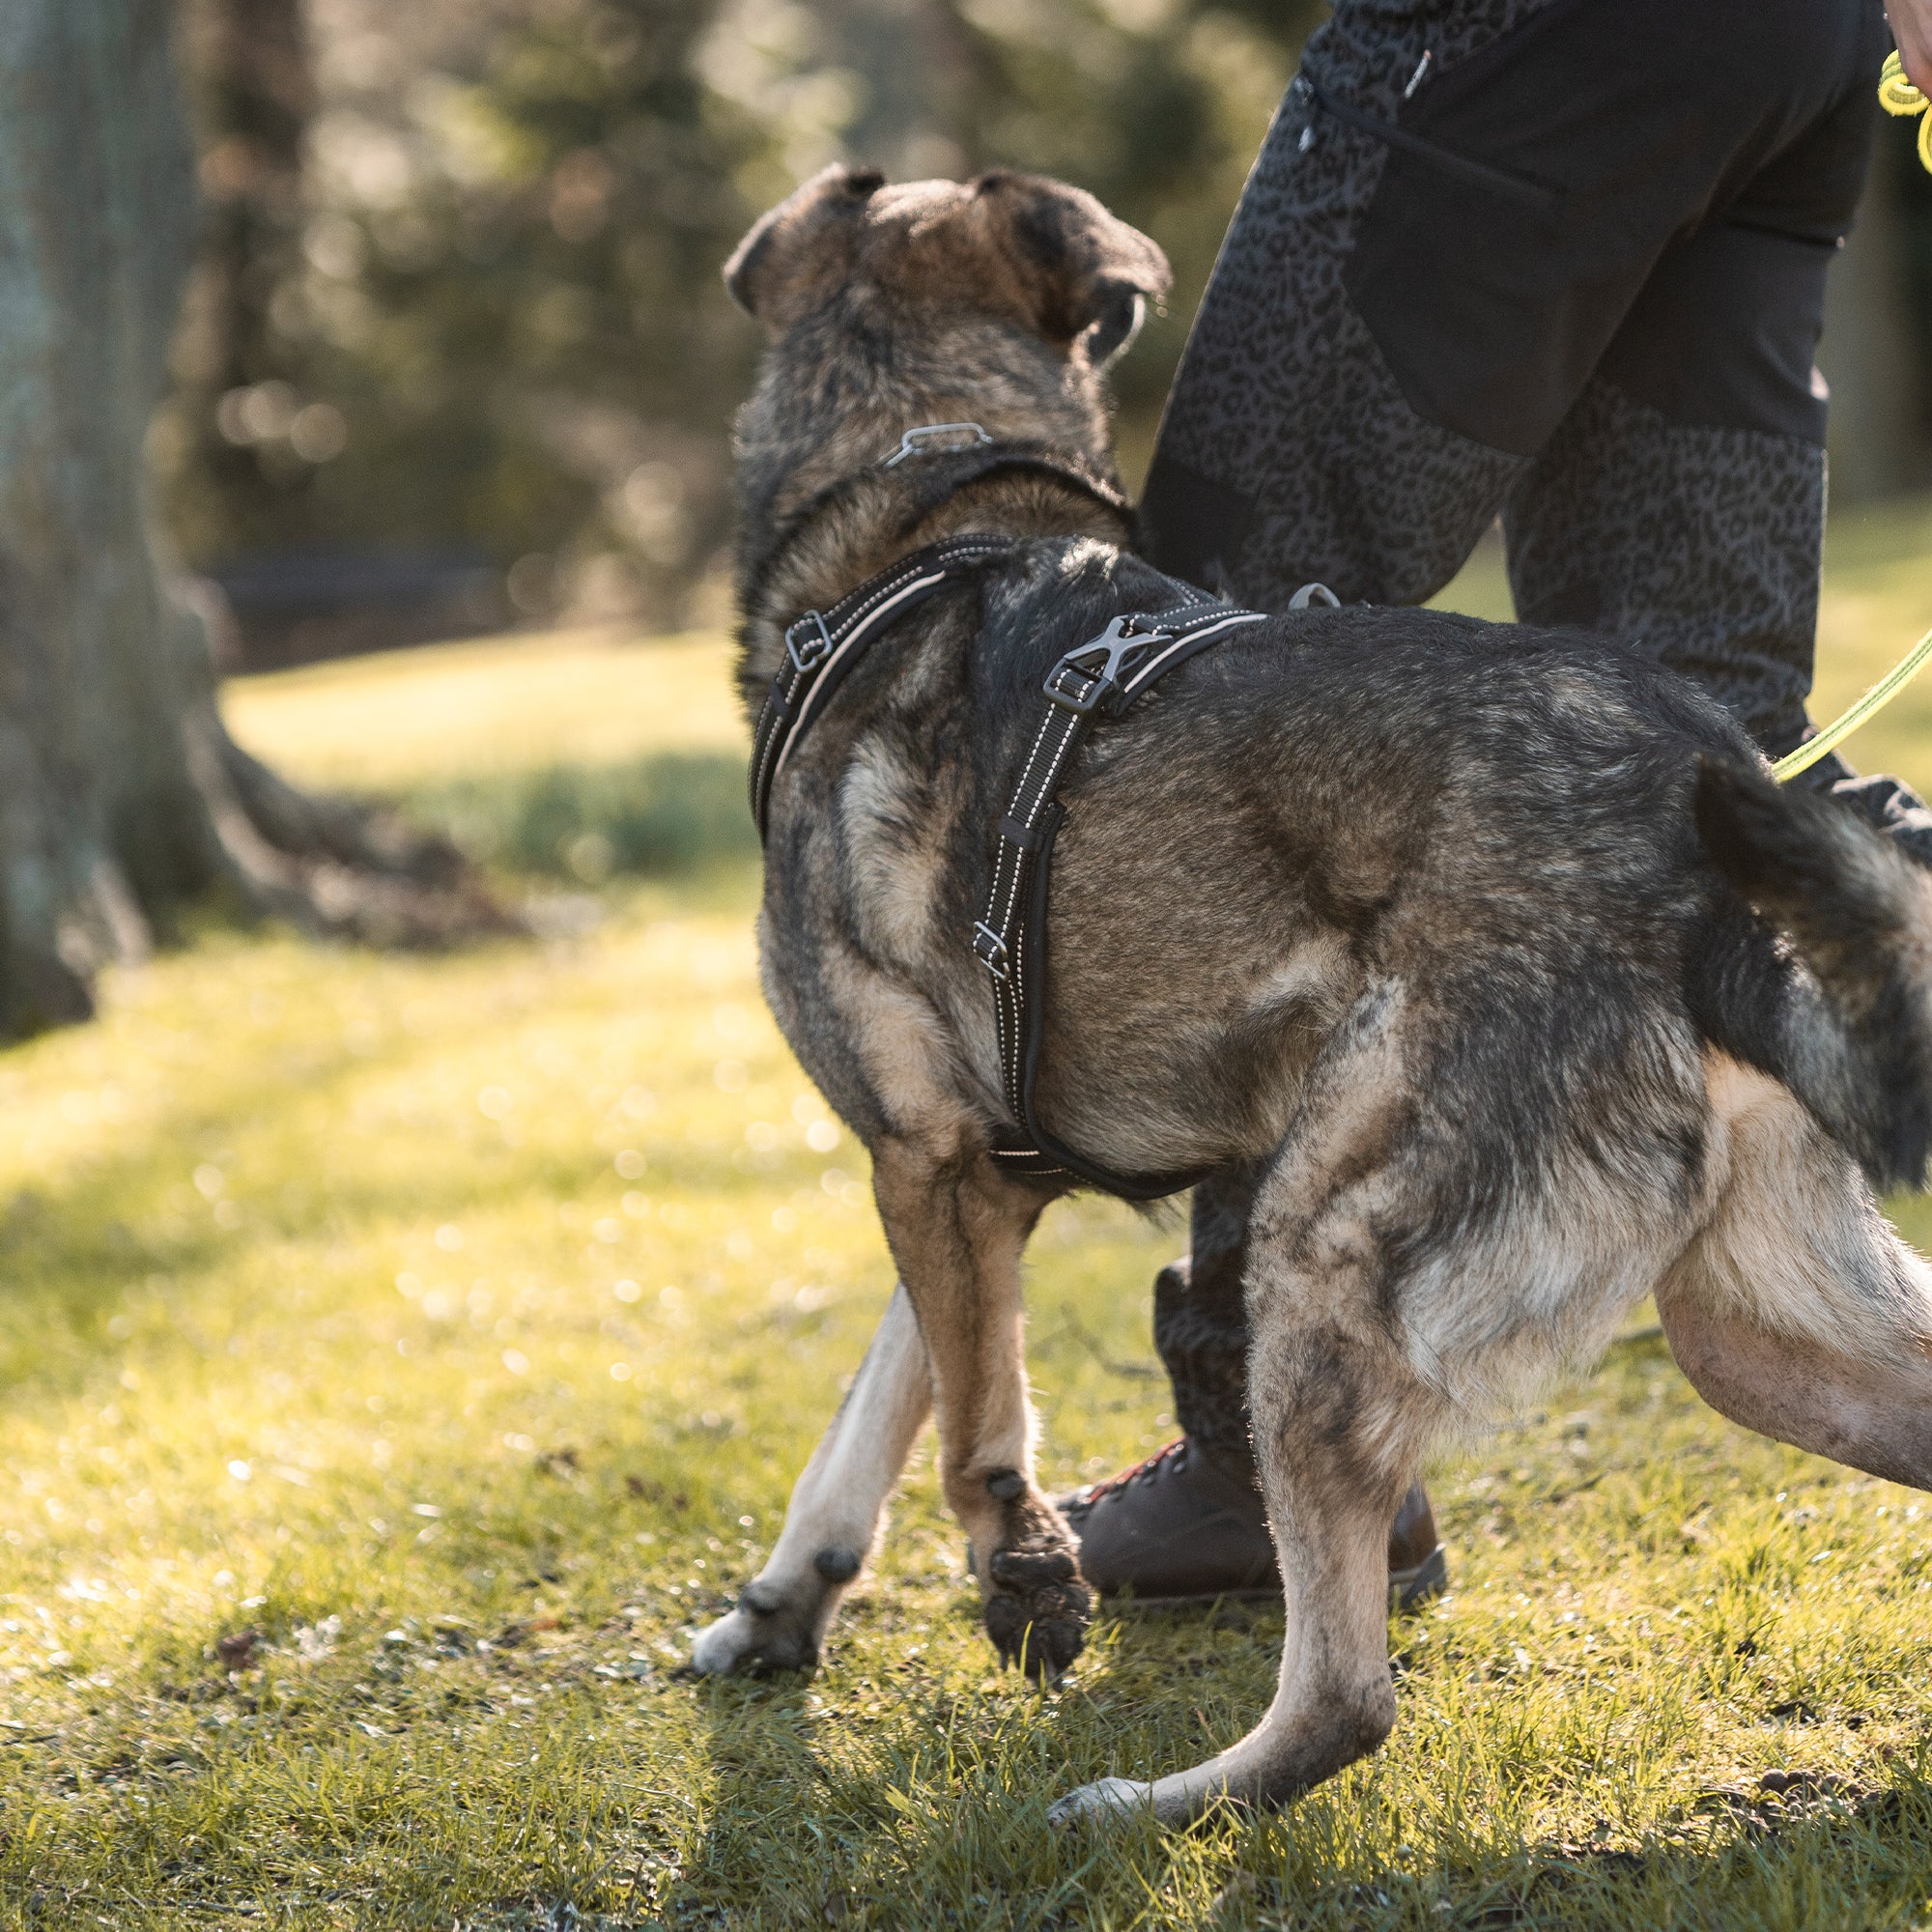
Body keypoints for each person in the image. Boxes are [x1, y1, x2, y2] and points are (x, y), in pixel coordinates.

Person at [1060, 0, 1932, 1606]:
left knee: (1235, 670)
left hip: (1519, 33)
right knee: (1701, 743)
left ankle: (1274, 1470)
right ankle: (1815, 1289)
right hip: (1783, 46)